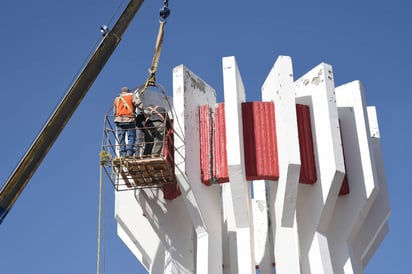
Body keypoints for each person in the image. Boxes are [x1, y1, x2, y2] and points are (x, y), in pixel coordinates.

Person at [113, 86, 142, 157]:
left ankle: (123, 153)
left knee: (121, 137)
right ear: (128, 91)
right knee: (131, 136)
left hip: (119, 120)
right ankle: (129, 152)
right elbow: (138, 103)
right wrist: (144, 109)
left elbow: (115, 111)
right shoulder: (131, 95)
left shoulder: (117, 99)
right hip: (129, 119)